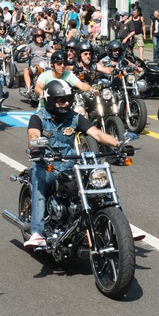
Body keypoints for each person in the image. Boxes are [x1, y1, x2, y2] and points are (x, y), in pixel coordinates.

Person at [24, 79, 120, 247]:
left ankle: (119, 225)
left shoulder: (75, 117)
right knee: (39, 181)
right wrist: (35, 146)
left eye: (68, 99)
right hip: (47, 165)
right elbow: (33, 134)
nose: (66, 103)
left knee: (100, 181)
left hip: (69, 165)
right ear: (50, 100)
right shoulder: (38, 118)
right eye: (61, 100)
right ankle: (37, 232)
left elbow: (96, 134)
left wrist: (118, 144)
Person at [22, 28, 53, 95]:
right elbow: (27, 51)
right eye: (38, 36)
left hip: (45, 65)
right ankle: (29, 89)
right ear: (35, 37)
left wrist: (57, 53)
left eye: (41, 36)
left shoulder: (46, 45)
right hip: (34, 66)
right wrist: (26, 53)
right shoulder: (31, 45)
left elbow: (53, 51)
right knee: (26, 70)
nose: (40, 38)